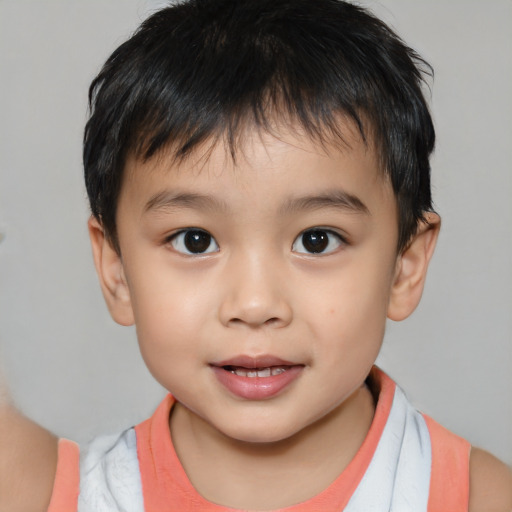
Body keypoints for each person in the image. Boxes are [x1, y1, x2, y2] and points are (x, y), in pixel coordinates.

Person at [1, 0, 511, 510]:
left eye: (317, 240)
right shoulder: (47, 491)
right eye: (194, 240)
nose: (254, 303)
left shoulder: (478, 497)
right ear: (117, 272)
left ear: (405, 266)